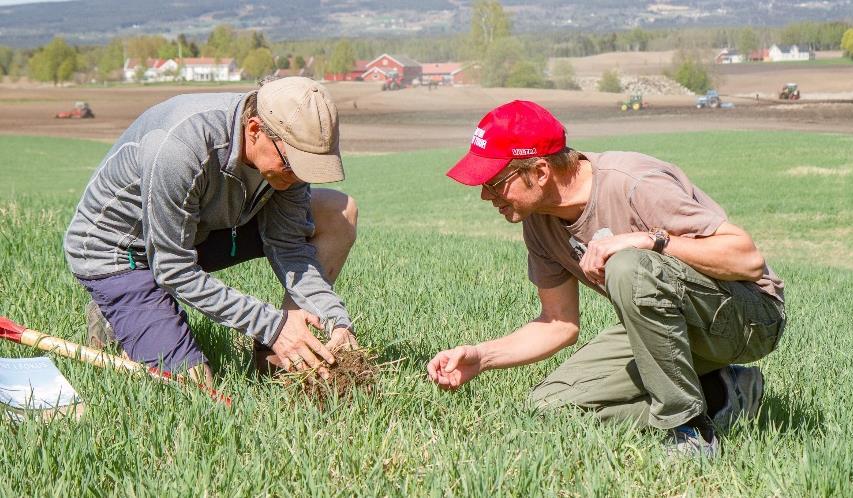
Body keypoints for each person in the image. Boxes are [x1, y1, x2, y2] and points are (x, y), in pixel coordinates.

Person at [426, 101, 785, 458]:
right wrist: (482, 358)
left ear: (539, 171)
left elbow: (747, 259)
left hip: (748, 318)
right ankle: (724, 394)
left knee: (629, 266)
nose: (486, 195)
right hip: (666, 328)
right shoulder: (539, 221)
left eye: (494, 182)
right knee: (549, 407)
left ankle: (688, 430)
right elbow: (558, 323)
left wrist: (650, 239)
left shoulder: (633, 183)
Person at [65, 76, 359, 385]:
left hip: (193, 234)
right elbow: (172, 267)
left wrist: (335, 319)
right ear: (255, 130)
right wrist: (269, 323)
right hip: (123, 253)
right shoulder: (180, 147)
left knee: (337, 213)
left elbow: (289, 245)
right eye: (292, 164)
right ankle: (119, 311)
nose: (299, 177)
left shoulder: (284, 156)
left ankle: (278, 356)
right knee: (194, 388)